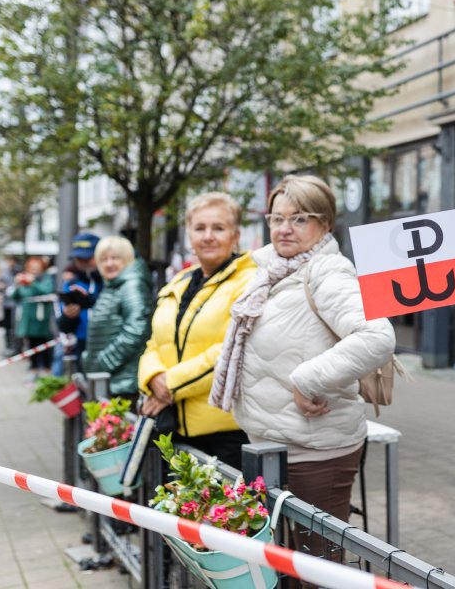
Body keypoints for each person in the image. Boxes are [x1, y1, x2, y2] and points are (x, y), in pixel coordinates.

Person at [209, 175, 395, 569]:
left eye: (299, 219)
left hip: (317, 451)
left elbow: (377, 336)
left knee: (317, 570)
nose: (283, 229)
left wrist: (306, 379)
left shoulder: (328, 271)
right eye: (276, 219)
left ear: (325, 224)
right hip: (273, 444)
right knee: (284, 566)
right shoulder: (273, 271)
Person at [138, 192, 256, 469]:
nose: (208, 236)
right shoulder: (178, 282)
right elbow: (155, 342)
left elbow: (232, 349)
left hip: (225, 433)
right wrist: (153, 377)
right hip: (175, 427)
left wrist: (169, 385)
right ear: (189, 235)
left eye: (219, 228)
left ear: (236, 235)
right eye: (199, 228)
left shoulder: (249, 281)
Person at [60, 236, 152, 405]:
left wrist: (100, 362)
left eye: (115, 258)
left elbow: (137, 329)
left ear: (127, 259)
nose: (109, 264)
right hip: (113, 380)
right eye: (103, 259)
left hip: (123, 384)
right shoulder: (114, 284)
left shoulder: (131, 285)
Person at [56, 232, 104, 371]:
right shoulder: (71, 285)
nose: (82, 262)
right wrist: (68, 316)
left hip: (107, 342)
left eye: (87, 258)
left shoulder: (109, 282)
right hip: (82, 344)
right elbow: (63, 327)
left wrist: (89, 300)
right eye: (78, 258)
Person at [11, 256, 56, 378]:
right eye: (32, 268)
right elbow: (15, 296)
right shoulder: (24, 281)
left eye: (37, 268)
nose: (34, 270)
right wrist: (17, 284)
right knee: (31, 345)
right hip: (28, 320)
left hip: (41, 319)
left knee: (43, 344)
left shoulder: (45, 279)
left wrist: (33, 283)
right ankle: (34, 369)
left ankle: (47, 369)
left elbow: (47, 291)